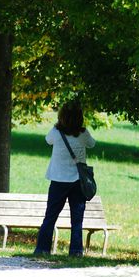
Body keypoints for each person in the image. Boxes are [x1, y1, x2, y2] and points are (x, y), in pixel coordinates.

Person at [34, 101, 96, 256]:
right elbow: (92, 144)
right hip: (77, 182)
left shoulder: (56, 132)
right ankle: (76, 251)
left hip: (58, 180)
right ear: (80, 117)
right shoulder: (83, 133)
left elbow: (48, 140)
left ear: (61, 116)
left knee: (50, 217)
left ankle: (42, 249)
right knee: (77, 220)